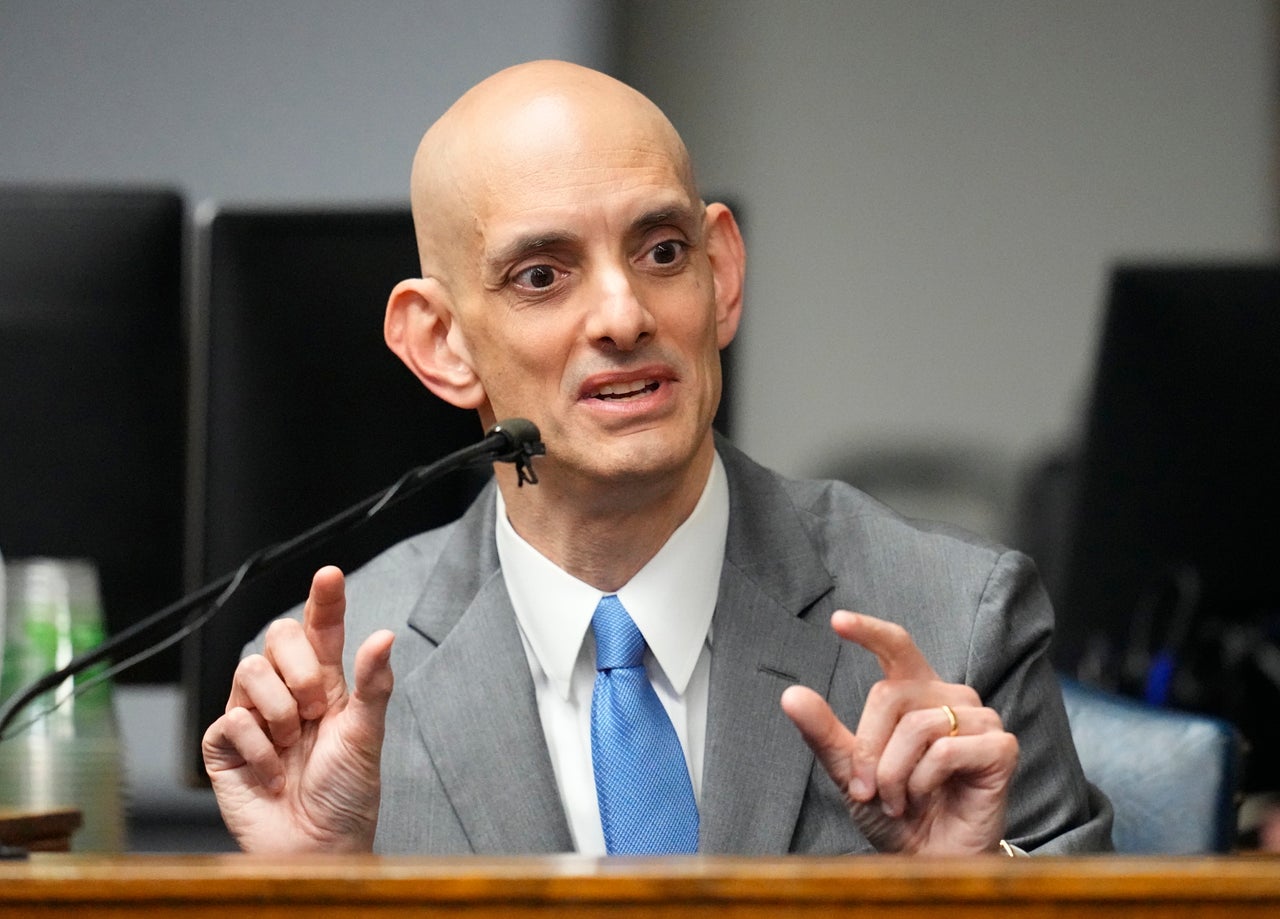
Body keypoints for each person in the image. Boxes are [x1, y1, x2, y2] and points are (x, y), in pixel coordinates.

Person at [201, 59, 1111, 856]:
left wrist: (971, 893)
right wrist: (316, 887)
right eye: (542, 276)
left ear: (722, 275)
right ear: (440, 343)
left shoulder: (958, 617)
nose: (624, 315)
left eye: (663, 252)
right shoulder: (326, 702)